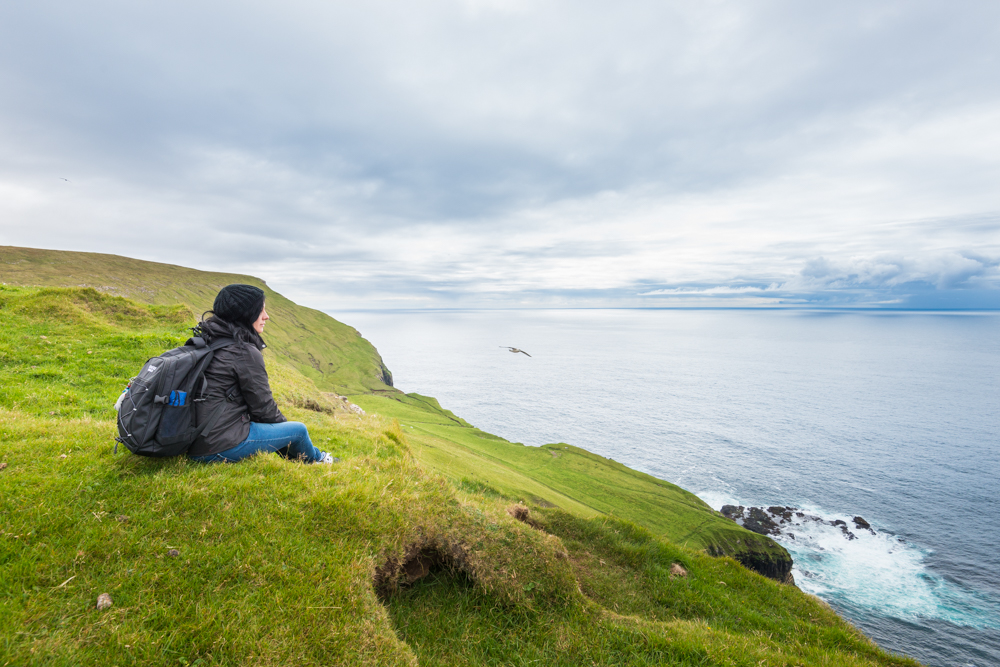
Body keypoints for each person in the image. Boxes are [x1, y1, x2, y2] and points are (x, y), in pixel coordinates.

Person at [186, 284, 335, 464]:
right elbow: (263, 409)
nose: (266, 316)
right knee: (298, 431)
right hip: (216, 447)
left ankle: (310, 456)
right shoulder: (243, 351)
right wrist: (285, 433)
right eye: (261, 310)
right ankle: (318, 460)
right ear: (245, 314)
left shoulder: (208, 338)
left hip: (192, 440)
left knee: (281, 430)